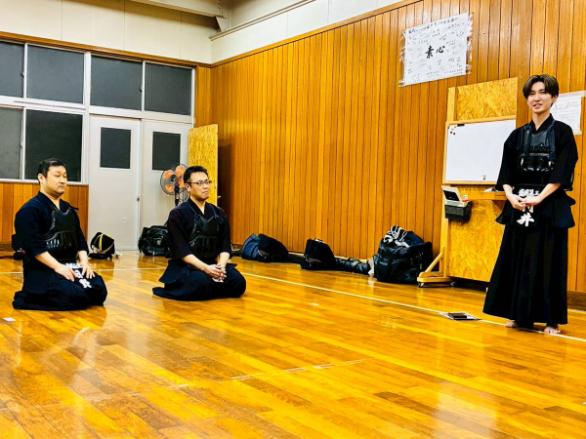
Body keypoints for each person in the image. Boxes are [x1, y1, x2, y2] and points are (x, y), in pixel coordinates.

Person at [483, 74, 578, 335]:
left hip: (549, 205)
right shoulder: (516, 136)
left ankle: (551, 320)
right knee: (517, 258)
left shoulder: (562, 133)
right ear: (527, 99)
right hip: (519, 204)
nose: (537, 98)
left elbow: (562, 171)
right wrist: (510, 196)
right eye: (532, 93)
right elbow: (506, 173)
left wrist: (540, 197)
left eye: (543, 92)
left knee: (549, 261)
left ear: (553, 97)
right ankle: (519, 315)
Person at [13, 158, 108, 310]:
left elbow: (79, 240)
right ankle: (29, 296)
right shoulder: (30, 210)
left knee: (99, 289)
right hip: (43, 270)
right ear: (41, 178)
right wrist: (57, 267)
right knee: (73, 295)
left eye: (65, 176)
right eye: (57, 176)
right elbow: (34, 247)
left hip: (69, 266)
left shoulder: (68, 209)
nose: (63, 180)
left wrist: (84, 263)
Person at [153, 165, 246, 300]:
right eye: (199, 183)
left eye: (207, 182)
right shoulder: (177, 214)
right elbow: (182, 251)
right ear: (188, 187)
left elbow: (225, 246)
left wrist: (220, 268)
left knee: (239, 282)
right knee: (199, 282)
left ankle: (211, 285)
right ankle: (210, 286)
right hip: (187, 267)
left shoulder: (219, 213)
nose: (205, 186)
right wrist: (206, 269)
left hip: (213, 265)